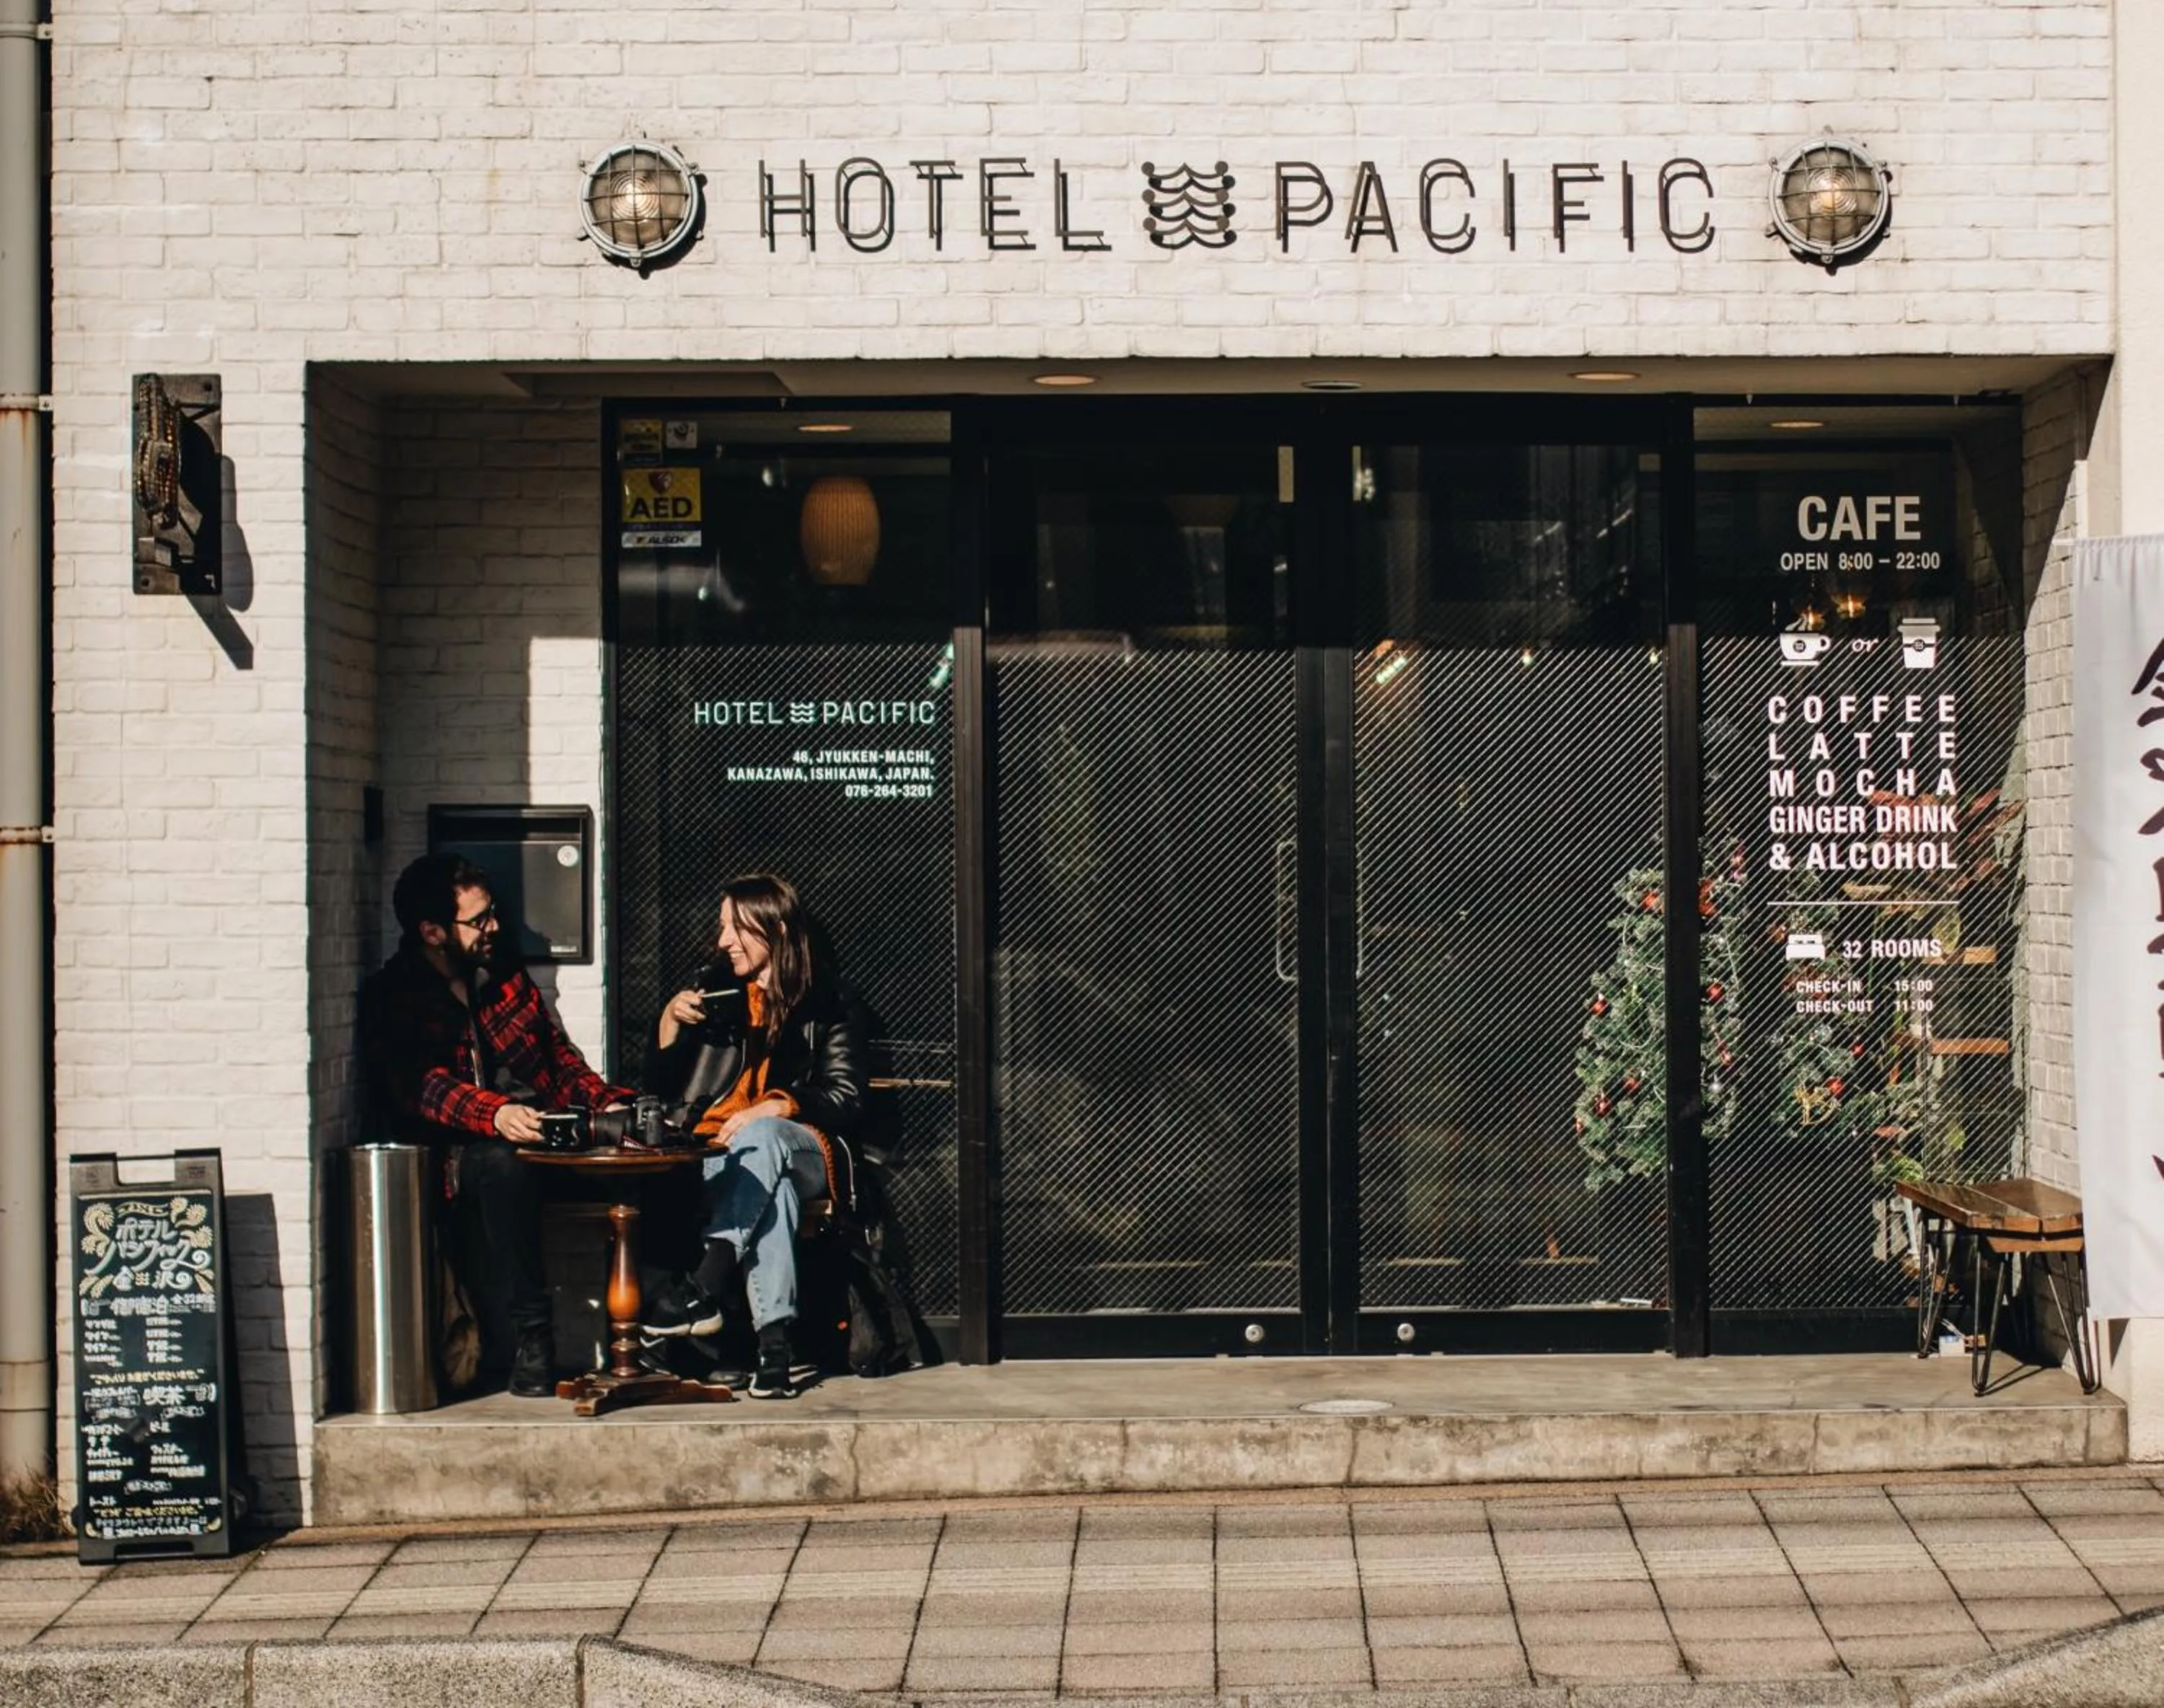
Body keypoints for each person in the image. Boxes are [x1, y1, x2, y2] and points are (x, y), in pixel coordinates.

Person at [360, 852, 634, 1397]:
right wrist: (497, 1114)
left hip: (529, 1136)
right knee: (505, 1167)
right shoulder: (394, 994)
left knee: (632, 1155)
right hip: (453, 1159)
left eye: (494, 915)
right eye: (479, 920)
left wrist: (612, 1109)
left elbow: (557, 1063)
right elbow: (421, 1087)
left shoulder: (502, 976)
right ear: (433, 931)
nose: (495, 928)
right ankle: (533, 1338)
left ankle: (671, 1318)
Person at [639, 873, 866, 1399]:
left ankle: (702, 1288)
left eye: (734, 929)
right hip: (723, 1153)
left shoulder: (829, 1000)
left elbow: (848, 1099)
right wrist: (670, 1025)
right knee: (775, 1192)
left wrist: (783, 1102)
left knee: (767, 1138)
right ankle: (776, 1352)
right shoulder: (716, 991)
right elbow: (661, 1087)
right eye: (722, 928)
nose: (722, 942)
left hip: (808, 1147)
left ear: (776, 930)